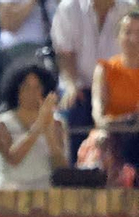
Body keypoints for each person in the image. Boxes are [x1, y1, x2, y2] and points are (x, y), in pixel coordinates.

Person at [51, 0, 134, 152]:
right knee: (73, 106)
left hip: (114, 87)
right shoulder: (69, 7)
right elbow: (64, 55)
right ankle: (76, 168)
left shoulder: (128, 8)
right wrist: (72, 86)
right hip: (79, 85)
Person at [0, 60, 68, 189]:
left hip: (44, 192)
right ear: (16, 90)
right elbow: (13, 158)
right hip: (9, 192)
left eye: (37, 87)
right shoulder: (0, 123)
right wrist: (38, 126)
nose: (32, 93)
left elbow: (60, 167)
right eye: (26, 87)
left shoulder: (57, 122)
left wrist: (49, 132)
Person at [93, 10, 139, 166]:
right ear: (118, 36)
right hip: (114, 135)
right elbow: (98, 112)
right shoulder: (105, 69)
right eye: (127, 32)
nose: (133, 39)